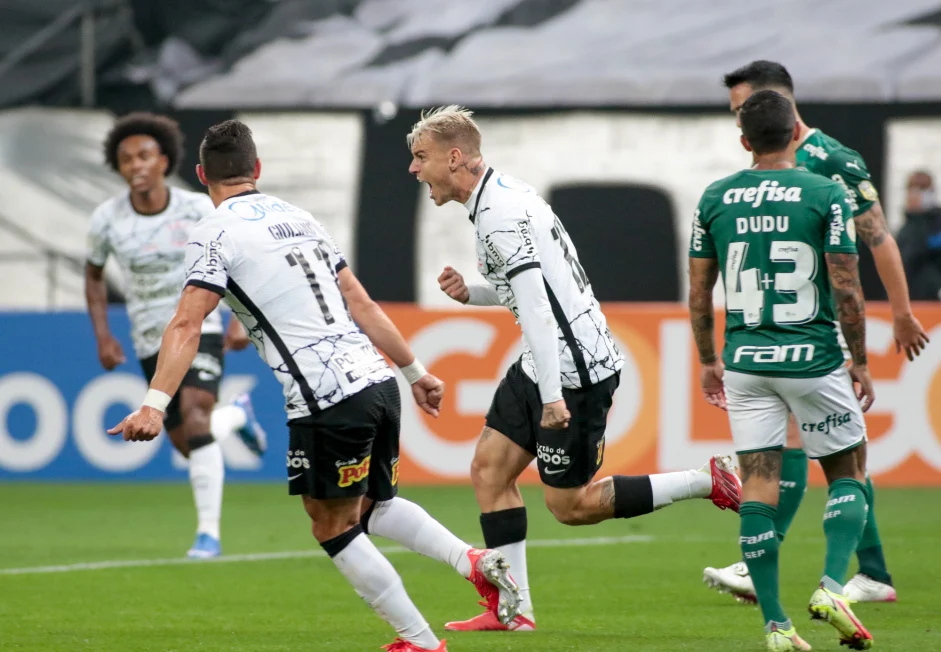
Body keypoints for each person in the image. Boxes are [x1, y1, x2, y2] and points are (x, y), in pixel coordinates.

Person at [108, 119, 522, 652]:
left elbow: (188, 323)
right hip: (377, 382)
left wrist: (153, 404)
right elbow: (362, 303)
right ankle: (474, 562)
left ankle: (418, 640)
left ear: (200, 175)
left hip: (326, 398)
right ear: (256, 170)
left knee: (330, 525)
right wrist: (415, 372)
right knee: (374, 505)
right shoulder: (301, 219)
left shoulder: (214, 232)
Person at [411, 105, 743, 632]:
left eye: (420, 157)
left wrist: (550, 396)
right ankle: (512, 610)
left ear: (454, 158)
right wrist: (473, 294)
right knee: (489, 471)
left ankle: (707, 482)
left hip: (572, 372)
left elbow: (540, 310)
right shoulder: (506, 194)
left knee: (571, 506)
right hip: (547, 359)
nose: (414, 168)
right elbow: (539, 291)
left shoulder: (499, 214)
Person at [703, 60, 930, 604]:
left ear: (774, 103)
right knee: (813, 446)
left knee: (819, 447)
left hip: (815, 333)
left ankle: (805, 557)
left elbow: (876, 238)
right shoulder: (753, 176)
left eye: (744, 108)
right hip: (771, 331)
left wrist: (900, 311)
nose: (740, 120)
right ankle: (868, 571)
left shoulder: (831, 161)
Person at [690, 89, 875, 651]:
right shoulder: (825, 191)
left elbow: (700, 292)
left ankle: (776, 624)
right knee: (848, 471)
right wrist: (860, 359)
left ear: (744, 141)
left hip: (746, 363)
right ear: (797, 132)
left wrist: (707, 360)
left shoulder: (716, 196)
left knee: (759, 484)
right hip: (812, 357)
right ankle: (830, 586)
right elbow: (846, 285)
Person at [85, 112, 267, 559]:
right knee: (188, 441)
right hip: (151, 337)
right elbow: (93, 276)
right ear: (118, 166)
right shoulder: (106, 219)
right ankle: (238, 417)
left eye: (145, 155)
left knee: (195, 412)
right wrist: (103, 335)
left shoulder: (197, 208)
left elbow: (238, 255)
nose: (136, 165)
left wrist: (240, 318)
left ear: (165, 160)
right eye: (126, 158)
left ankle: (208, 535)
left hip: (199, 324)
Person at [898, 170, 941, 301]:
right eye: (911, 191)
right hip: (909, 294)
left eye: (920, 191)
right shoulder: (907, 226)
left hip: (931, 295)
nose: (913, 196)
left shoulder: (935, 224)